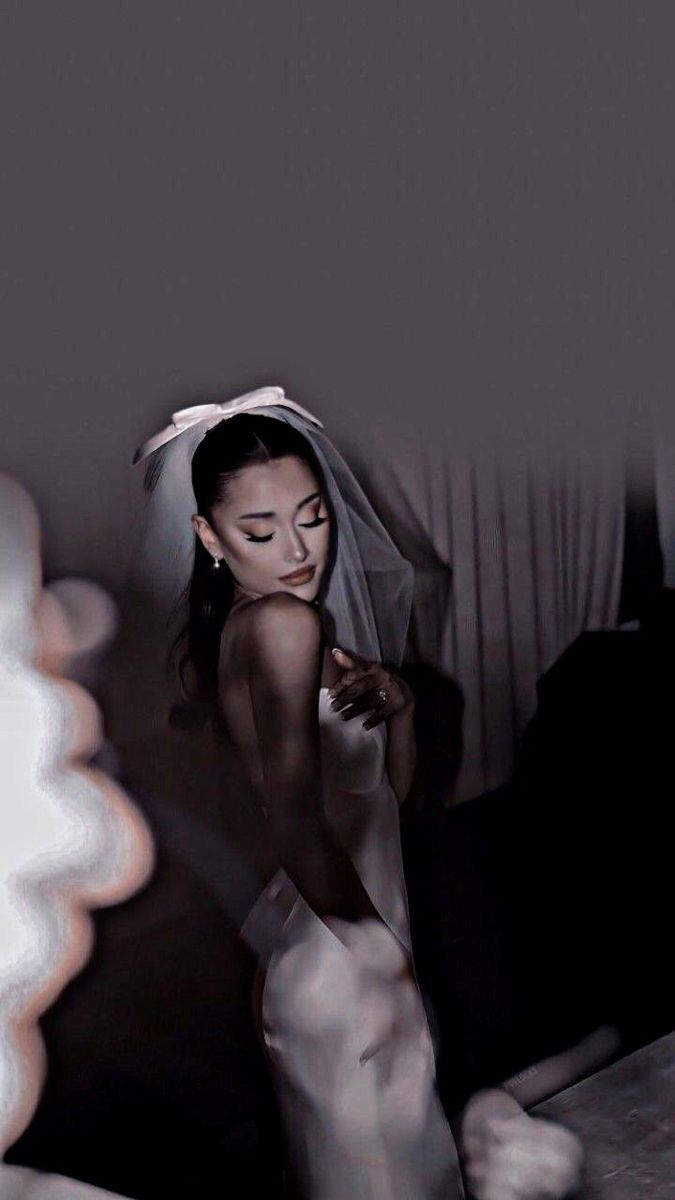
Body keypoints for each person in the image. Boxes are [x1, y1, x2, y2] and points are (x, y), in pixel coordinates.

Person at [129, 387, 466, 1198]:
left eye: (311, 516)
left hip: (333, 945)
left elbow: (387, 803)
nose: (297, 548)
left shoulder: (281, 633)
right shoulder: (284, 626)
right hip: (346, 957)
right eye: (259, 528)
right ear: (207, 536)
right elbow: (291, 817)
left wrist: (404, 709)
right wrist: (379, 958)